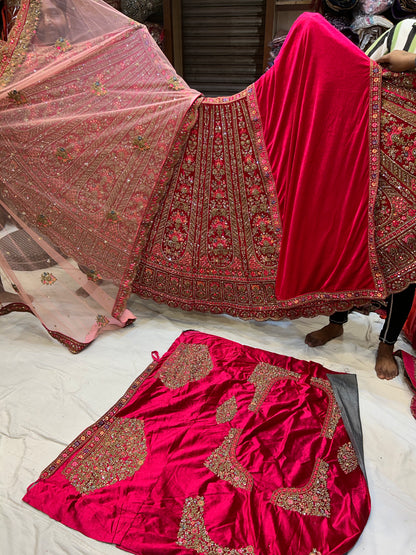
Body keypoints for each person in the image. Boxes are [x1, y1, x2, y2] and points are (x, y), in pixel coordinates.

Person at [1, 3, 415, 352]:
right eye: (45, 13)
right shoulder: (37, 57)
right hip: (87, 142)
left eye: (57, 11)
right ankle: (95, 271)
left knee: (356, 222)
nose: (51, 20)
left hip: (357, 116)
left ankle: (380, 342)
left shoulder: (383, 109)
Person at [306, 46, 416, 380]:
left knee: (406, 251)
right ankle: (337, 322)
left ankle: (386, 342)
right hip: (385, 126)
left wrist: (412, 62)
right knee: (352, 238)